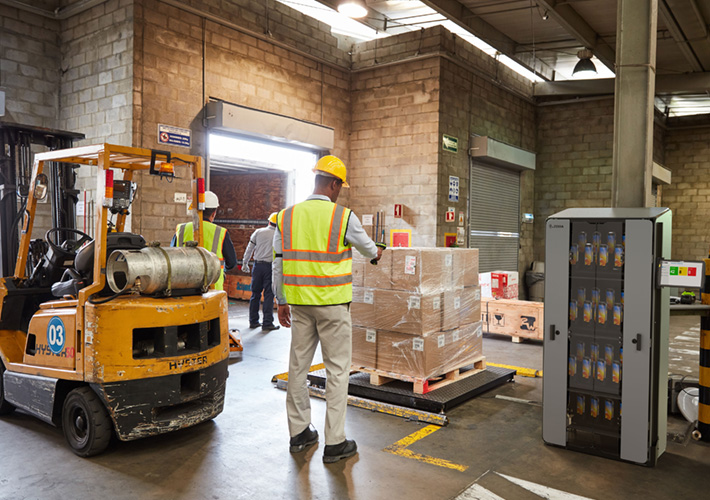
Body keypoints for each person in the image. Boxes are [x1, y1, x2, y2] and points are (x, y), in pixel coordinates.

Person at [272, 155, 383, 464]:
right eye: (339, 187)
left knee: (298, 367)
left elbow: (278, 264)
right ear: (334, 184)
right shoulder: (343, 217)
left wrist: (280, 300)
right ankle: (334, 443)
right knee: (336, 370)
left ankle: (299, 434)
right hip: (333, 306)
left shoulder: (286, 216)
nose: (339, 192)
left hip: (300, 306)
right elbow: (371, 251)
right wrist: (377, 254)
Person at [172, 190, 237, 290]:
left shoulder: (181, 229)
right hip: (212, 288)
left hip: (183, 287)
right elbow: (231, 262)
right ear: (214, 213)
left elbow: (171, 256)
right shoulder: (221, 232)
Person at [241, 212, 279, 331]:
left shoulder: (258, 232)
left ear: (269, 222)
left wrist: (244, 262)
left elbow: (249, 248)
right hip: (270, 267)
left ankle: (253, 321)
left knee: (255, 294)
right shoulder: (279, 236)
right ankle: (267, 323)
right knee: (269, 294)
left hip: (257, 267)